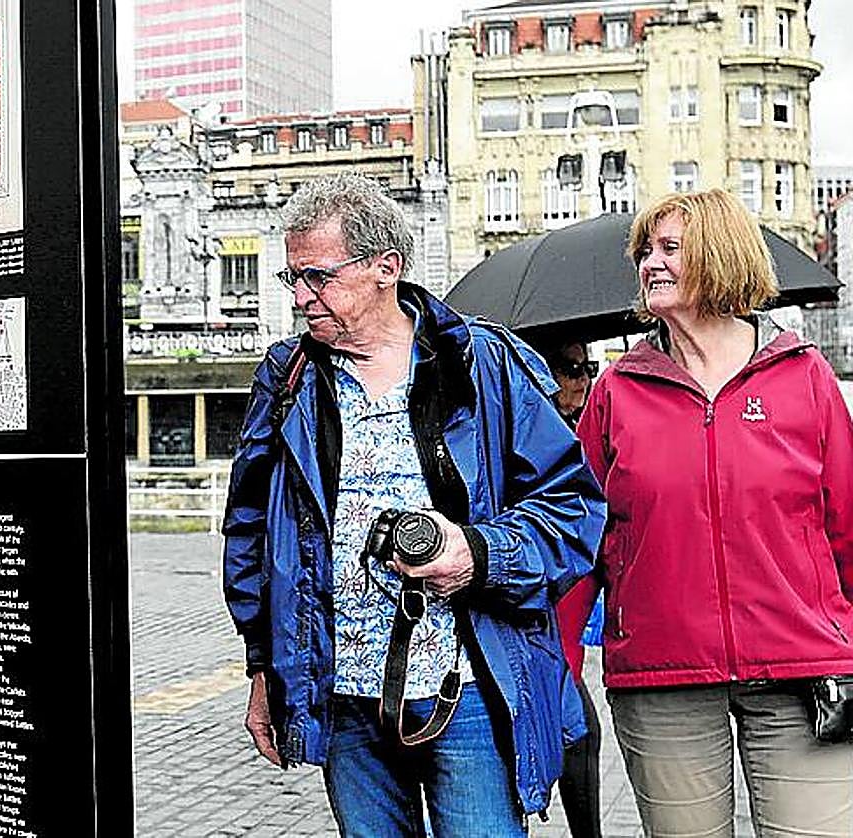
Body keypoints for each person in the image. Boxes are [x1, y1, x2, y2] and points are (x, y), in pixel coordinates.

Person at [222, 172, 606, 836]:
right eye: (294, 280)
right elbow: (251, 534)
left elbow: (574, 511)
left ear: (384, 269)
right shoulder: (286, 377)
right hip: (342, 700)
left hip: (473, 695)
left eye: (318, 277)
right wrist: (266, 668)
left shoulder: (482, 364)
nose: (302, 298)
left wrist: (477, 553)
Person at [562, 189, 853, 836]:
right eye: (645, 251)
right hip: (662, 676)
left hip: (803, 671)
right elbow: (579, 542)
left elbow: (847, 529)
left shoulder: (803, 378)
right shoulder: (617, 391)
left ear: (720, 256)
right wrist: (562, 665)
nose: (649, 264)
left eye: (670, 248)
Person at [533, 337, 603, 838]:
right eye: (570, 367)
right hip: (531, 643)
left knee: (582, 739)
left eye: (587, 366)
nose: (581, 378)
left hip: (567, 647)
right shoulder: (525, 440)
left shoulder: (589, 437)